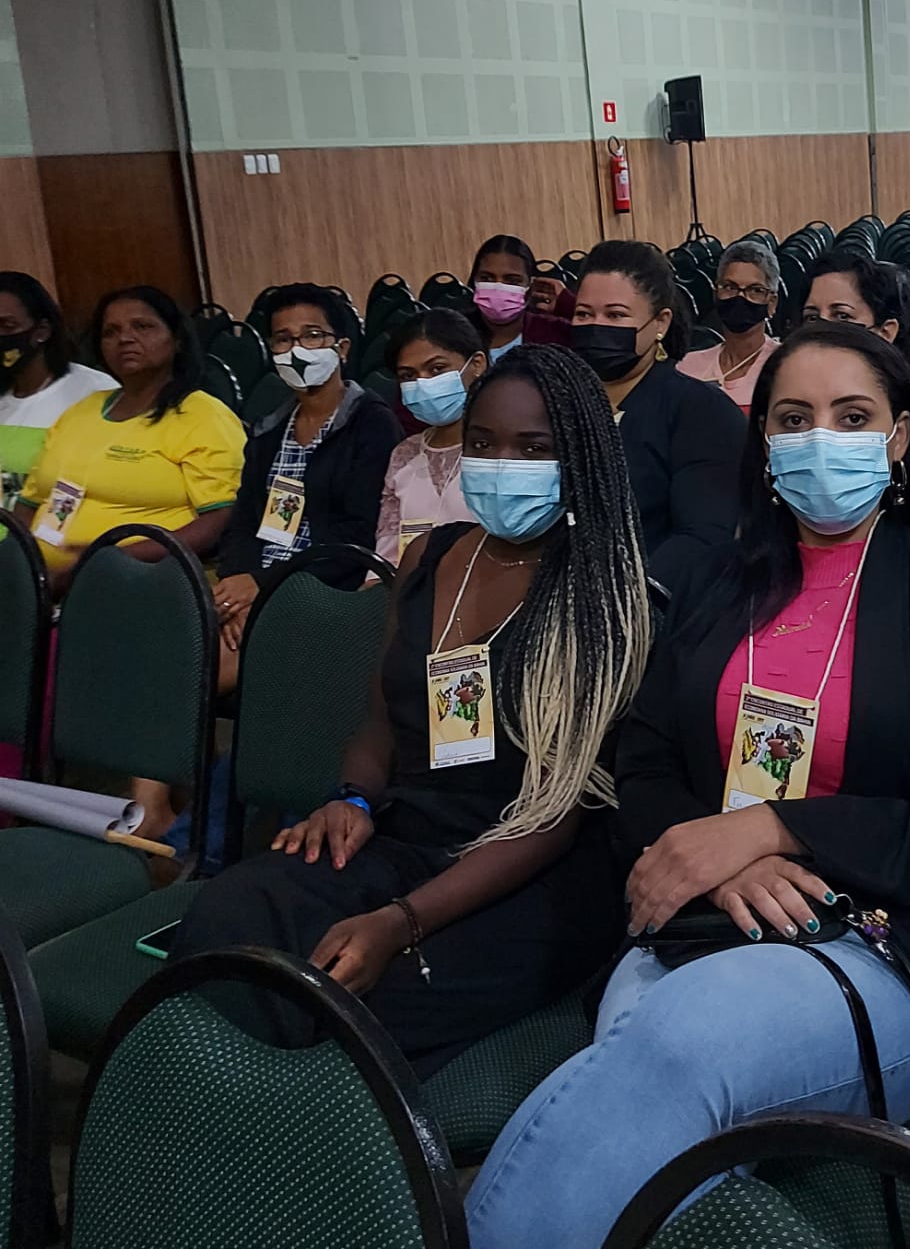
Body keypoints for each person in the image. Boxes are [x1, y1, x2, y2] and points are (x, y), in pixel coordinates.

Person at [465, 324, 910, 1249]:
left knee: (674, 1044)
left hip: (884, 940)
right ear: (762, 440)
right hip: (702, 913)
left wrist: (769, 829)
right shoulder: (714, 579)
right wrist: (724, 862)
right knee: (653, 1078)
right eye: (793, 419)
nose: (820, 439)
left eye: (852, 417)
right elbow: (645, 762)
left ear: (898, 437)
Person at [171, 345, 652, 1076]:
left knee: (362, 995)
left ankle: (305, 1117)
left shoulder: (604, 593)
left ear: (579, 458)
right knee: (231, 912)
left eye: (533, 448)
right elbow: (379, 720)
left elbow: (556, 816)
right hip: (405, 831)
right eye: (484, 443)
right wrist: (353, 798)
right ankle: (228, 1097)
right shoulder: (430, 557)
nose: (502, 465)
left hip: (530, 870)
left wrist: (401, 923)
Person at [214, 284, 402, 685]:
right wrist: (237, 593)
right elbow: (244, 521)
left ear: (342, 348)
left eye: (312, 336)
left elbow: (357, 536)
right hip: (255, 589)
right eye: (284, 339)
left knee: (204, 669)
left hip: (324, 590)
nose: (297, 349)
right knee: (182, 643)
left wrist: (262, 587)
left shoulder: (371, 424)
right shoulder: (269, 429)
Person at [18, 285, 243, 589]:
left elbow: (219, 521)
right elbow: (29, 501)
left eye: (142, 326)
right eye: (110, 332)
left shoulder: (203, 415)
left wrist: (104, 561)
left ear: (176, 339)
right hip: (43, 584)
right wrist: (21, 562)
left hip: (141, 583)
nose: (124, 338)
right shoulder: (81, 410)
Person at [570, 238, 743, 595]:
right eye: (584, 314)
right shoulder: (554, 402)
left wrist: (625, 602)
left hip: (646, 604)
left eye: (615, 315)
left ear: (660, 322)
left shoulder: (701, 411)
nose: (596, 326)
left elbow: (702, 536)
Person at [801, 251, 910, 532]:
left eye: (842, 316)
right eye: (812, 317)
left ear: (885, 332)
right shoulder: (789, 418)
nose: (822, 330)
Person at [375, 309, 489, 567]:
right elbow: (387, 549)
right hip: (408, 586)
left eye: (437, 369)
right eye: (408, 376)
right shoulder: (405, 454)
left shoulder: (502, 450)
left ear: (477, 364)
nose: (422, 383)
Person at [0, 271, 113, 510]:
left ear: (42, 330)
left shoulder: (93, 392)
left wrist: (39, 531)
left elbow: (92, 485)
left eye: (7, 326)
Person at [676, 239, 780, 415]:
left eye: (755, 290)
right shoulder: (686, 368)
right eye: (730, 287)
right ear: (716, 295)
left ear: (771, 303)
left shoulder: (784, 364)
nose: (740, 297)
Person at [471, 234, 537, 362]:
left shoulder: (552, 332)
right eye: (486, 278)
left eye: (512, 281)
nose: (498, 287)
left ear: (530, 285)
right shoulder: (455, 333)